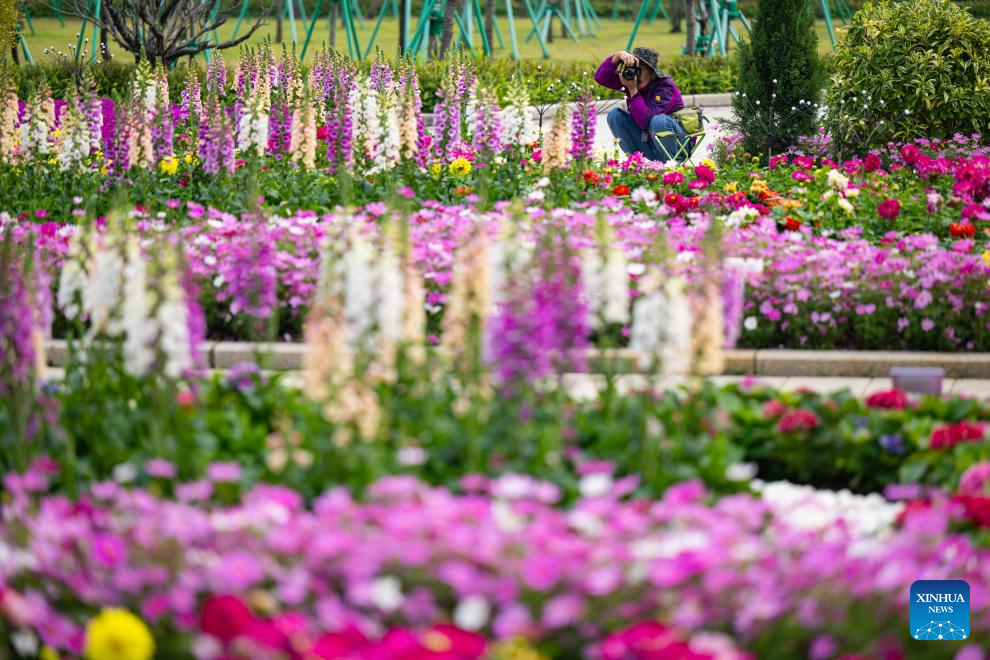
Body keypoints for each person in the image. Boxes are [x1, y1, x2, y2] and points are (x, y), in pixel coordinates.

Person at [595, 47, 688, 162]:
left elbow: (647, 122)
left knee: (658, 121)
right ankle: (635, 163)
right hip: (650, 144)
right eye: (631, 68)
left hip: (679, 146)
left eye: (638, 70)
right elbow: (601, 78)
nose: (634, 74)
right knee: (615, 115)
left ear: (652, 74)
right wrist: (617, 57)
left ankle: (673, 166)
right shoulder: (631, 80)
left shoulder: (665, 87)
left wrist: (633, 90)